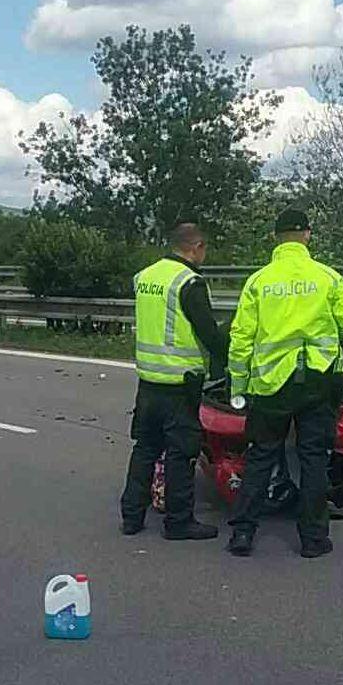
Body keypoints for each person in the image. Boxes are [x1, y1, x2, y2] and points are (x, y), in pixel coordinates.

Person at [225, 207, 343, 558]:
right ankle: (313, 540)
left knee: (261, 456)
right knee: (313, 460)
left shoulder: (259, 281)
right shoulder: (328, 278)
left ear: (276, 238)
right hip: (319, 379)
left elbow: (241, 338)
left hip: (272, 383)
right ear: (307, 235)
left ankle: (243, 534)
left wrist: (239, 387)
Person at [121, 222, 227, 540]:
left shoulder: (145, 276)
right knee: (181, 453)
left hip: (148, 380)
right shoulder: (190, 282)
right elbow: (208, 332)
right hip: (179, 383)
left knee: (145, 448)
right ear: (197, 247)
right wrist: (229, 356)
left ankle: (131, 516)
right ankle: (179, 522)